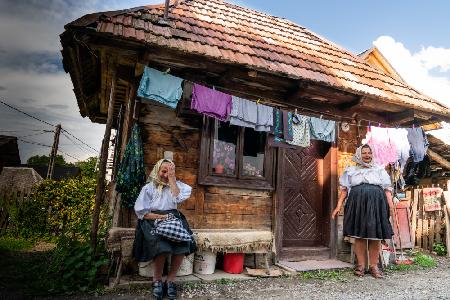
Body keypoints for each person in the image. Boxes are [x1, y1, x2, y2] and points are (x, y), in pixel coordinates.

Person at [133, 159, 196, 300]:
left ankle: (171, 280)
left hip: (173, 219)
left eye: (169, 172)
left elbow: (178, 197)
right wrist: (159, 217)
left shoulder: (176, 186)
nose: (165, 175)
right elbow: (141, 213)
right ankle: (157, 280)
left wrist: (172, 178)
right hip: (152, 219)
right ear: (157, 170)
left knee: (182, 244)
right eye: (164, 171)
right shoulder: (148, 188)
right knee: (161, 246)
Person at [332, 144, 394, 278]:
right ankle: (360, 265)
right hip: (357, 203)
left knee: (375, 235)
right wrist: (338, 206)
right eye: (364, 153)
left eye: (369, 153)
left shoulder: (379, 170)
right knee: (359, 234)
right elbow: (344, 190)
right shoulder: (351, 170)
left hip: (377, 203)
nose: (367, 155)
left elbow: (387, 189)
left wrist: (391, 206)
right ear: (359, 155)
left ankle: (373, 266)